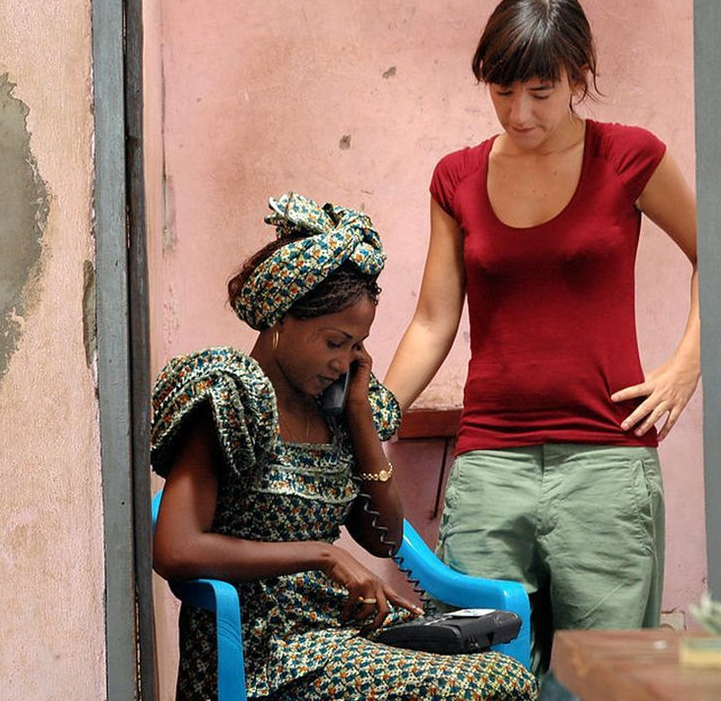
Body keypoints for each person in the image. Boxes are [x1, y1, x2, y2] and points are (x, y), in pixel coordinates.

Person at [385, 0, 699, 677]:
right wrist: (372, 418)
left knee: (604, 680)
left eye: (540, 90)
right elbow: (434, 320)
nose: (519, 113)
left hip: (608, 466)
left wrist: (686, 365)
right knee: (480, 676)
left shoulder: (630, 158)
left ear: (579, 76)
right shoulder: (457, 178)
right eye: (501, 91)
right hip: (491, 464)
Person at [152, 193, 535, 700]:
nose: (344, 360)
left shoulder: (336, 413)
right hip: (260, 648)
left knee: (506, 679)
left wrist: (358, 417)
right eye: (334, 342)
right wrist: (320, 555)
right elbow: (176, 548)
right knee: (467, 688)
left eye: (357, 345)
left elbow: (383, 539)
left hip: (337, 634)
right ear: (281, 318)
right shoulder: (230, 397)